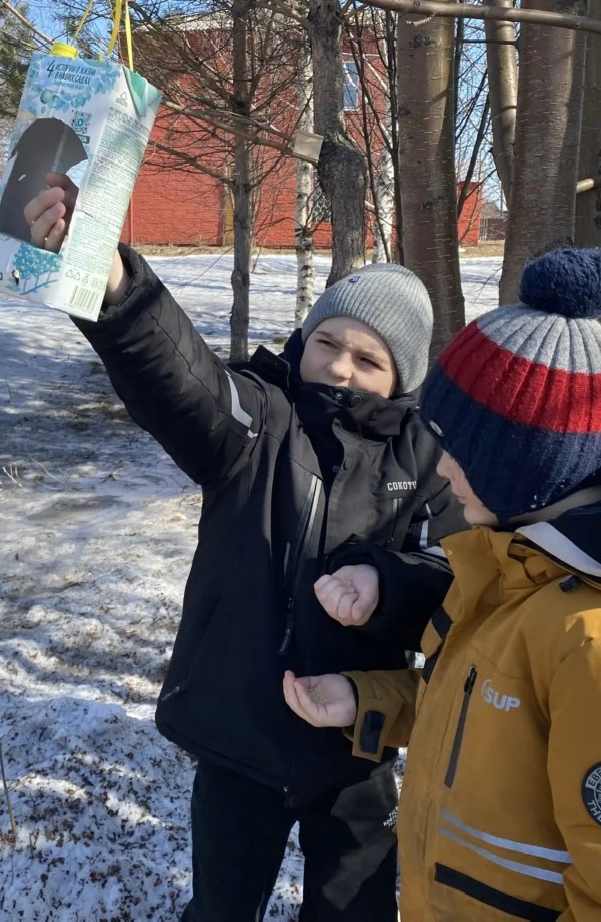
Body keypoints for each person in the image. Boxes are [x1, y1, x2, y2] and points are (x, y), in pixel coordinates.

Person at [283, 248, 601, 920]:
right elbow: (486, 718)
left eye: (456, 449)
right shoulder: (515, 569)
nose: (441, 469)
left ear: (520, 466)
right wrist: (367, 701)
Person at [26, 176, 463, 920]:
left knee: (355, 912)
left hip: (355, 742)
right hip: (241, 740)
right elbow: (183, 381)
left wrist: (383, 582)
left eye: (368, 359)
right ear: (304, 340)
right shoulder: (261, 419)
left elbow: (449, 577)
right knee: (222, 907)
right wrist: (113, 282)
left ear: (402, 380)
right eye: (327, 343)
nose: (339, 367)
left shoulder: (424, 459)